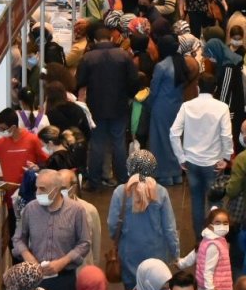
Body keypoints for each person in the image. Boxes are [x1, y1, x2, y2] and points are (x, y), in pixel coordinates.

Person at [170, 68, 234, 237]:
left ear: (198, 87)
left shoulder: (187, 106)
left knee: (196, 201)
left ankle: (200, 238)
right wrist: (226, 158)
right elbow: (226, 135)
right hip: (213, 163)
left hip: (191, 162)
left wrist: (181, 157)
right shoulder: (222, 108)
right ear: (215, 89)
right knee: (216, 200)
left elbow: (174, 132)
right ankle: (217, 236)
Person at [77, 24, 140, 190]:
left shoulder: (88, 58)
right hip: (119, 106)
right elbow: (134, 81)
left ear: (95, 40)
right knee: (119, 143)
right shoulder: (124, 56)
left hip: (95, 107)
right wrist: (128, 95)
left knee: (97, 144)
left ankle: (94, 182)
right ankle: (123, 179)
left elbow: (80, 82)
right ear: (111, 38)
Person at [108, 151, 180, 290]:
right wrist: (175, 253)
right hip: (157, 255)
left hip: (129, 254)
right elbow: (169, 228)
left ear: (129, 167)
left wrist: (115, 237)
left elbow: (112, 225)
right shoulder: (161, 192)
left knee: (131, 288)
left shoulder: (120, 192)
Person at [12, 170, 92, 290]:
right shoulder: (30, 209)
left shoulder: (76, 211)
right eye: (36, 188)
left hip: (64, 279)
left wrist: (63, 262)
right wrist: (28, 256)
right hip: (35, 278)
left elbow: (84, 243)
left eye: (42, 189)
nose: (37, 193)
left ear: (56, 190)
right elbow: (18, 238)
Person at [149, 35, 190, 186]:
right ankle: (177, 173)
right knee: (175, 139)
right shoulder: (181, 62)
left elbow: (154, 90)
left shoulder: (161, 66)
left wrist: (148, 104)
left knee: (161, 140)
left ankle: (165, 174)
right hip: (177, 105)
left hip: (161, 106)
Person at [177, 208, 235, 290]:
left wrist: (181, 263)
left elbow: (194, 254)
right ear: (210, 225)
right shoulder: (214, 245)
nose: (222, 226)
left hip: (204, 286)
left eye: (225, 223)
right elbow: (208, 270)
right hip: (215, 288)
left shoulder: (207, 240)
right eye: (218, 223)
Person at [0, 107, 49, 187]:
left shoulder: (33, 139)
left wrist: (37, 168)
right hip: (8, 194)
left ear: (13, 127)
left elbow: (47, 161)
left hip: (29, 191)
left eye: (3, 128)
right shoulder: (0, 143)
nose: (0, 131)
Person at [59, 169, 102, 268]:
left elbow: (95, 245)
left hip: (83, 269)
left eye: (63, 188)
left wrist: (93, 268)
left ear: (73, 187)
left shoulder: (89, 210)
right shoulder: (49, 211)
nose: (59, 192)